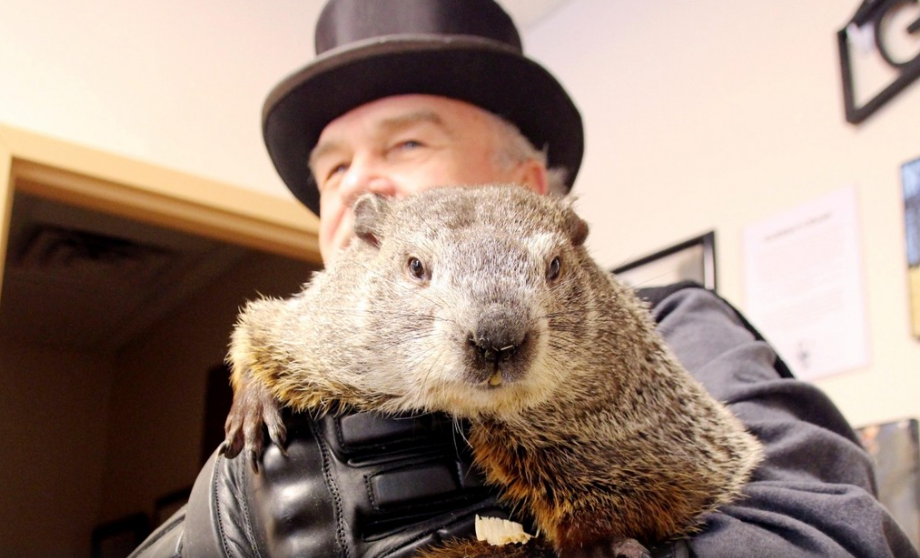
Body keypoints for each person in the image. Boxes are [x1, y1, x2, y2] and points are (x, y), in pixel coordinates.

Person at [131, 0, 918, 556]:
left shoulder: (679, 324)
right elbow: (266, 333)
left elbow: (834, 535)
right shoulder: (327, 321)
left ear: (531, 189)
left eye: (407, 144)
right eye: (333, 167)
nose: (357, 182)